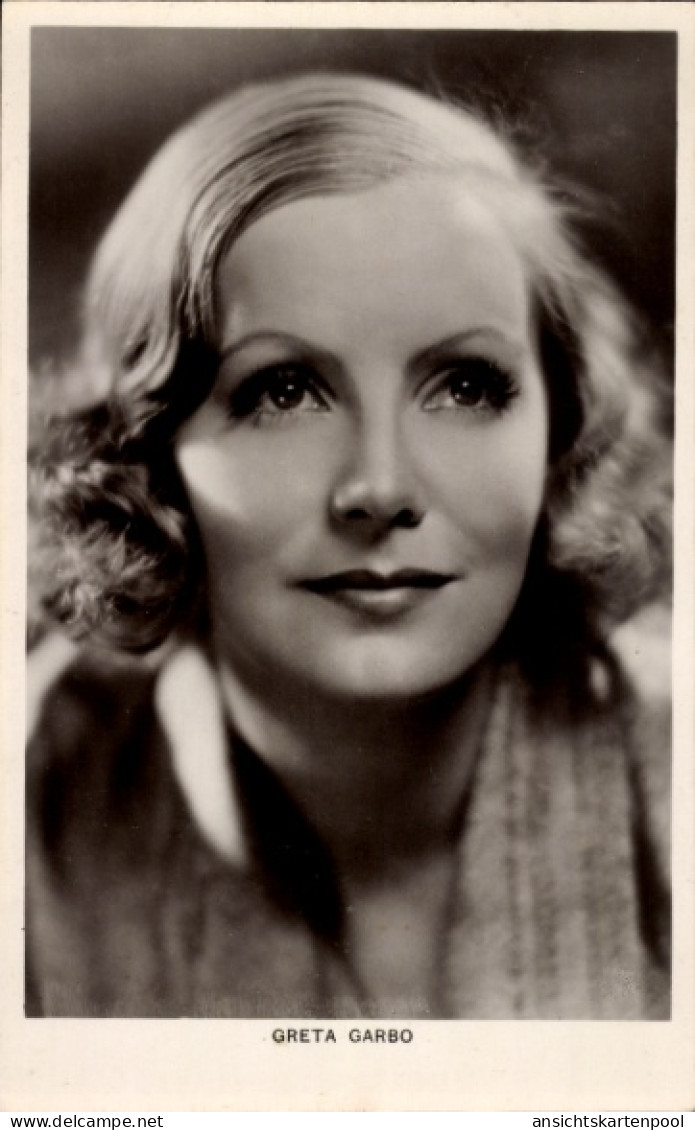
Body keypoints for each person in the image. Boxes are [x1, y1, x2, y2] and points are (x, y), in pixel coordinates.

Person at [26, 72, 672, 1019]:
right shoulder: (42, 798)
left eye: (465, 386)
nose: (381, 487)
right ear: (145, 459)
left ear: (559, 428)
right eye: (283, 391)